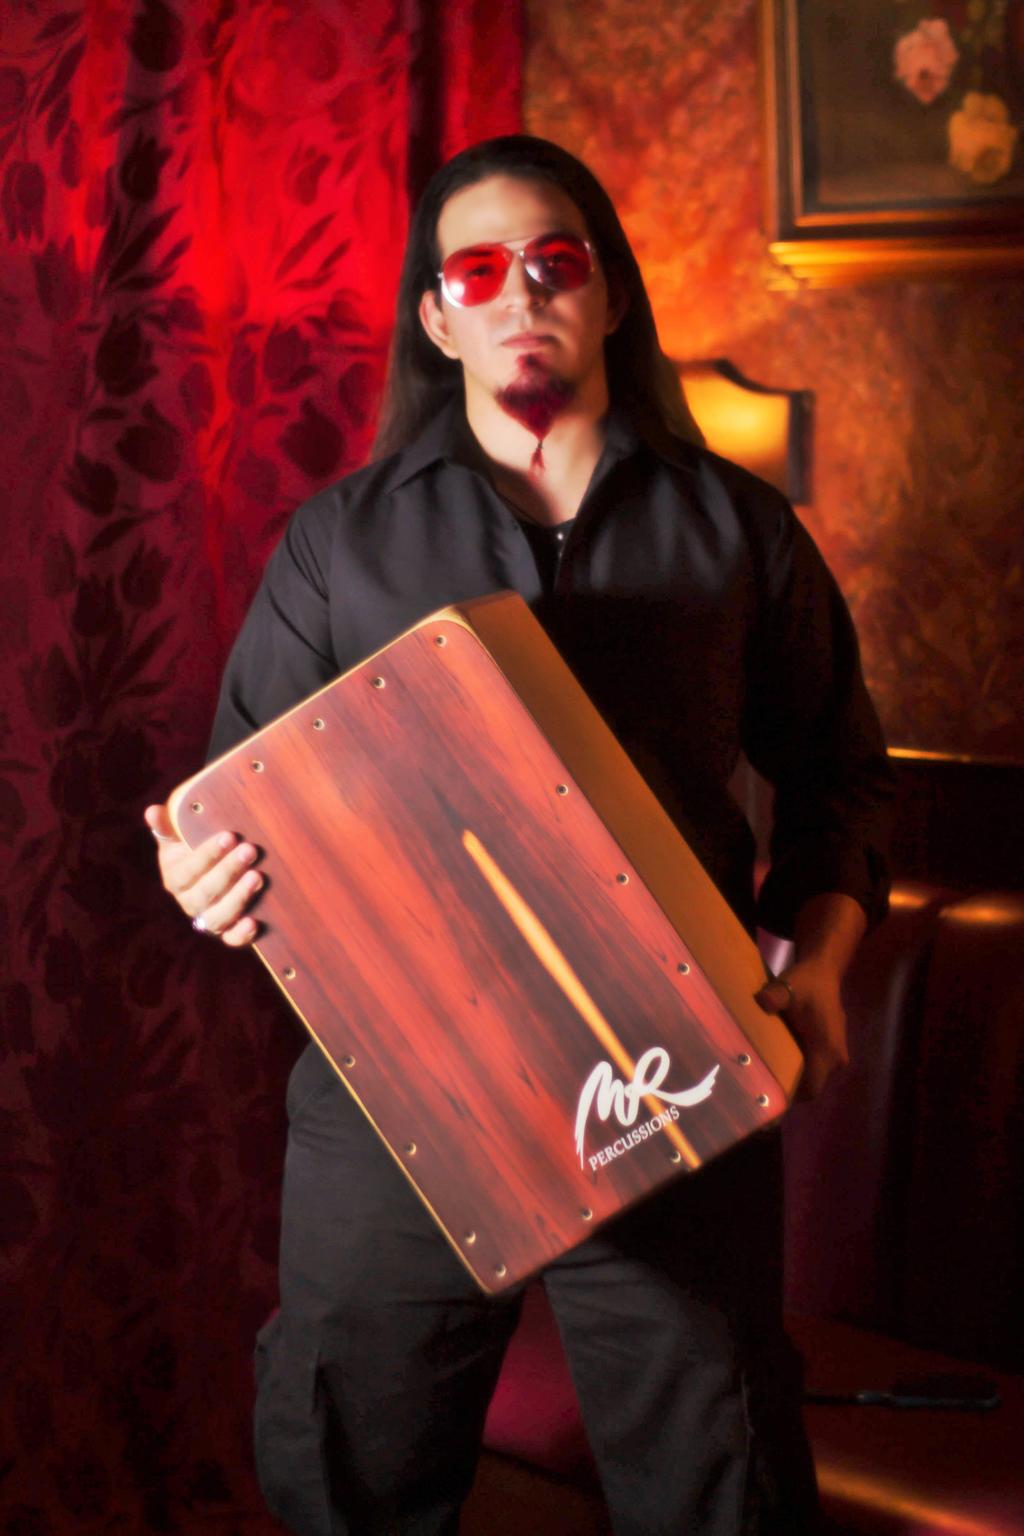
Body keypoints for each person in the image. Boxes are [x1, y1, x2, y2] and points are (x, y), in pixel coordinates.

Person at [146, 135, 892, 1535]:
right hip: (396, 1096)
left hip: (667, 1066)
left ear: (609, 293)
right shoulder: (337, 543)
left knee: (719, 1482)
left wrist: (827, 966)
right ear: (439, 319)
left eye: (554, 260)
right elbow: (236, 803)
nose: (521, 292)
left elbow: (841, 781)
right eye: (479, 270)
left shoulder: (741, 529)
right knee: (347, 1475)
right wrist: (203, 874)